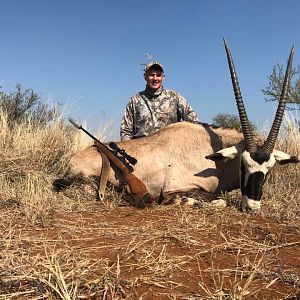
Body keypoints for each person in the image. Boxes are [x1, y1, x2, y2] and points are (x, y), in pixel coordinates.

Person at [120, 61, 200, 141]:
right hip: (141, 149)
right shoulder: (134, 100)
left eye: (158, 75)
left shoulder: (174, 97)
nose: (155, 78)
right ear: (145, 76)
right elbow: (125, 131)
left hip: (170, 148)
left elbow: (194, 123)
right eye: (151, 75)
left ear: (163, 77)